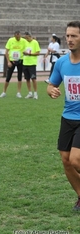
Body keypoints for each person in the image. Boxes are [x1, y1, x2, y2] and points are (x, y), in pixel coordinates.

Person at [47, 21, 80, 211]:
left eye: (74, 36)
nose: (69, 40)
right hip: (68, 117)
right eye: (67, 36)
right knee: (66, 161)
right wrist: (51, 91)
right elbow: (51, 85)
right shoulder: (61, 62)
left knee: (76, 159)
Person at [0, 31, 27, 98]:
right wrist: (8, 61)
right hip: (12, 61)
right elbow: (6, 52)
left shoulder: (23, 41)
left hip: (20, 60)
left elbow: (27, 49)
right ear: (14, 36)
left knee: (19, 77)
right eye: (16, 37)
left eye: (19, 37)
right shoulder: (10, 40)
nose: (18, 38)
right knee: (8, 77)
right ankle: (4, 92)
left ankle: (18, 92)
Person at [22, 31, 40, 99]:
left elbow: (38, 53)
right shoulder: (25, 42)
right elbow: (23, 50)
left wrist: (29, 54)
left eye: (27, 38)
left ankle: (35, 93)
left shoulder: (35, 42)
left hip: (32, 63)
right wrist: (24, 52)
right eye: (25, 38)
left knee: (33, 79)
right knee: (27, 79)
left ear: (30, 36)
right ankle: (30, 92)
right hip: (25, 62)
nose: (26, 39)